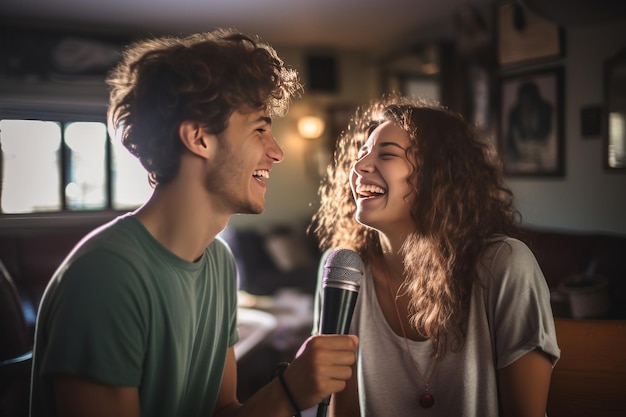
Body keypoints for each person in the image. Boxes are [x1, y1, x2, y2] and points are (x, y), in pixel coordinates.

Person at [30, 28, 357, 417]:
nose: (277, 152)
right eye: (260, 129)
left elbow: (223, 412)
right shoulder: (107, 276)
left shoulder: (218, 263)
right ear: (199, 138)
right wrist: (287, 392)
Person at [310, 95, 560, 416]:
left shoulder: (505, 265)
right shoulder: (343, 271)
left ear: (438, 176)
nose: (359, 167)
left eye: (386, 154)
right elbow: (340, 411)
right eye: (360, 154)